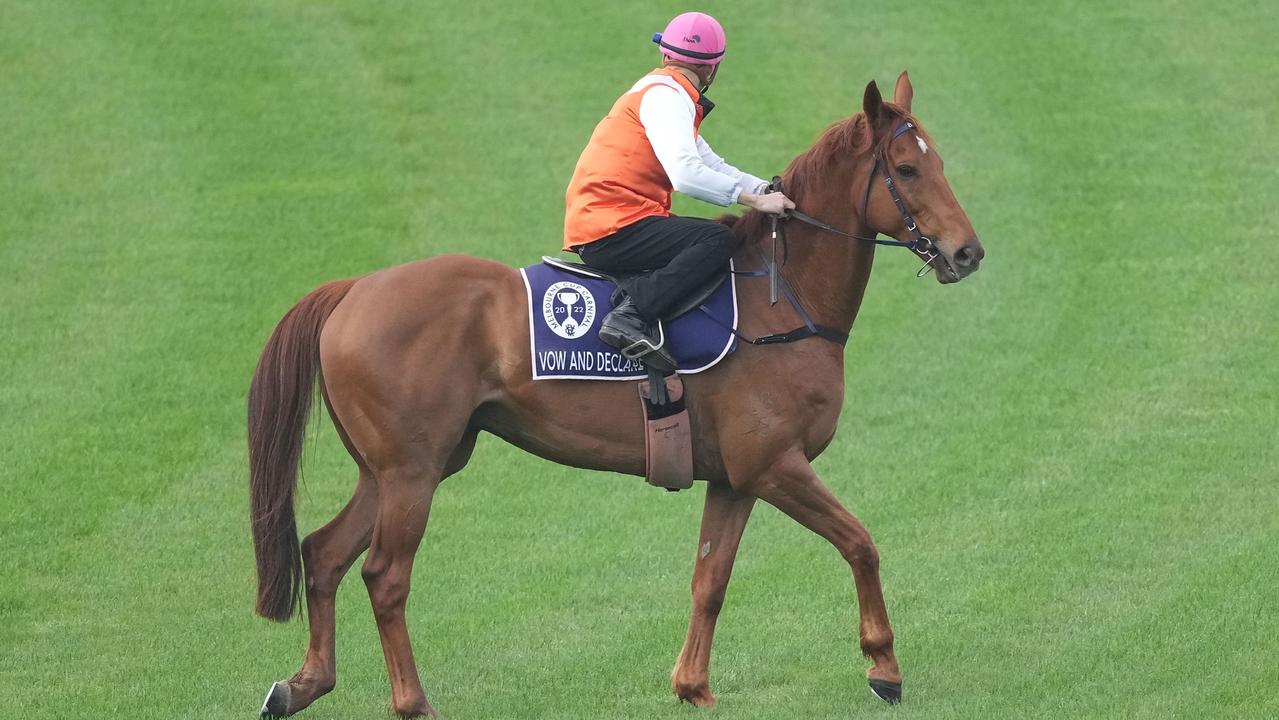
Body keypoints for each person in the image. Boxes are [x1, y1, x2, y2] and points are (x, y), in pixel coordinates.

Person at [562, 11, 795, 369]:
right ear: (712, 70)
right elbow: (686, 174)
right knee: (716, 239)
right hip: (612, 228)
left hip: (607, 221)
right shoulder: (669, 99)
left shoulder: (662, 93)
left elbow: (711, 163)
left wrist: (763, 187)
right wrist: (753, 200)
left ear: (665, 55)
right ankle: (631, 314)